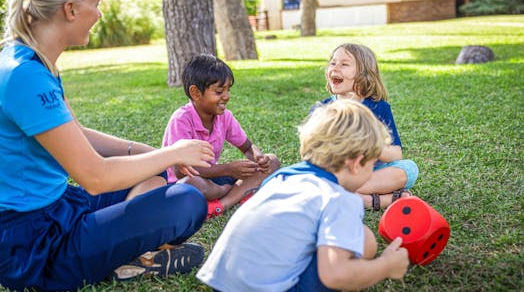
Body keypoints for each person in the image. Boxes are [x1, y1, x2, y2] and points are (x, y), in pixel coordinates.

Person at [0, 0, 216, 292]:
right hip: (34, 249)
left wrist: (160, 153)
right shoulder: (23, 76)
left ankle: (126, 255)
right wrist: (173, 153)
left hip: (62, 209)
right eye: (95, 4)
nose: (100, 13)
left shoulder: (32, 60)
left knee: (151, 176)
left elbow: (77, 134)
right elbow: (95, 178)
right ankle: (128, 256)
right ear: (70, 10)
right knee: (187, 201)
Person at [197, 99, 410, 291]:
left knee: (361, 237)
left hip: (222, 284)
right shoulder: (339, 198)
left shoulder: (283, 177)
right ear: (356, 163)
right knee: (361, 244)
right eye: (372, 165)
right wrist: (386, 266)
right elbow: (335, 275)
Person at [162, 54, 280, 219]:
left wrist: (258, 156)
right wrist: (228, 169)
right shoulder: (181, 120)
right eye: (219, 91)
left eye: (227, 90)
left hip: (214, 177)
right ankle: (234, 192)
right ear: (195, 93)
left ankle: (220, 205)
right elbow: (182, 172)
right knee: (193, 184)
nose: (226, 96)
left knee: (273, 161)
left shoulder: (224, 117)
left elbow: (247, 147)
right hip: (183, 184)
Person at [313, 43, 419, 210]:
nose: (335, 68)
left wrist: (369, 146)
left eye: (344, 64)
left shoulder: (378, 107)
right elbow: (313, 153)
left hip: (374, 171)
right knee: (319, 178)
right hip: (339, 172)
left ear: (363, 74)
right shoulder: (322, 110)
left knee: (409, 169)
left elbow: (396, 154)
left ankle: (347, 195)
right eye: (332, 63)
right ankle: (376, 200)